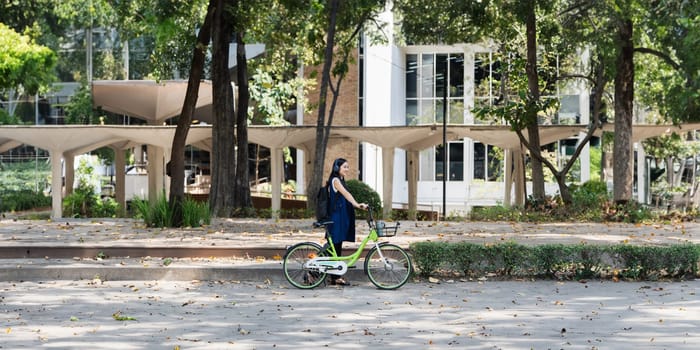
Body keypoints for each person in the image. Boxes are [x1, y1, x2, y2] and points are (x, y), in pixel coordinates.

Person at [326, 158, 368, 286]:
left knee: (336, 248)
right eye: (345, 167)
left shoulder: (341, 179)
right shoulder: (336, 180)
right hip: (336, 218)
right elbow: (346, 194)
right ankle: (312, 273)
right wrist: (357, 204)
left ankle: (335, 277)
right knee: (332, 247)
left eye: (348, 167)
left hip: (340, 217)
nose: (347, 169)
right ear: (337, 167)